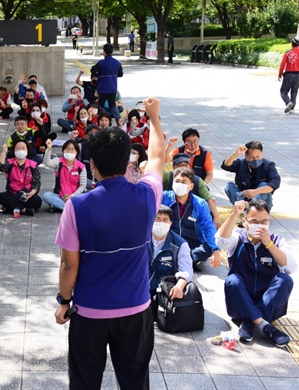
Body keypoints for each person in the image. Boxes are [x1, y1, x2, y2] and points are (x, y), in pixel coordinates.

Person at [54, 97, 166, 389]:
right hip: (136, 311)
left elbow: (69, 264)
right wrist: (154, 118)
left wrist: (64, 301)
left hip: (90, 312)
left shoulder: (76, 207)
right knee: (135, 382)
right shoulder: (147, 196)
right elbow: (156, 158)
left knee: (84, 382)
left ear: (92, 164)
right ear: (128, 161)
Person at [217, 200, 296, 347]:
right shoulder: (238, 237)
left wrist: (269, 244)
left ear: (269, 221)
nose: (260, 225)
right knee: (232, 280)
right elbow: (221, 241)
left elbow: (290, 267)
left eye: (264, 221)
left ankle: (250, 322)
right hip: (239, 306)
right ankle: (264, 325)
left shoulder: (277, 241)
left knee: (285, 279)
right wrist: (234, 213)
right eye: (254, 221)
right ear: (245, 222)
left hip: (269, 307)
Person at [162, 167, 222, 272]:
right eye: (177, 181)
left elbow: (208, 226)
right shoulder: (163, 198)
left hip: (192, 244)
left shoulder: (200, 203)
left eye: (184, 182)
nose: (179, 184)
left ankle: (179, 261)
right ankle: (188, 261)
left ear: (191, 186)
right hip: (168, 242)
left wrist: (216, 249)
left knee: (208, 247)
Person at [164, 151, 222, 228]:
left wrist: (216, 217)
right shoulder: (166, 177)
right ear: (174, 166)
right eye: (180, 165)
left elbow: (208, 199)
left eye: (185, 165)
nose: (182, 168)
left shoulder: (197, 181)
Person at [221, 141, 281, 211]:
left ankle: (250, 212)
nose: (255, 160)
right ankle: (242, 210)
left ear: (262, 153)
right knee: (229, 186)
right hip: (244, 198)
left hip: (262, 204)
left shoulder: (268, 165)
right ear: (246, 156)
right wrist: (236, 154)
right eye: (252, 158)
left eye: (258, 157)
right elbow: (226, 165)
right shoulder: (241, 163)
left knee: (263, 185)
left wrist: (255, 192)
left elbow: (275, 183)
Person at [149, 205, 192, 297]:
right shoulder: (140, 240)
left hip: (164, 291)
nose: (161, 223)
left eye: (165, 220)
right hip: (140, 289)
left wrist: (179, 287)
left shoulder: (180, 244)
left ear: (170, 223)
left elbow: (186, 271)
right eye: (157, 219)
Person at [0, 141, 42, 215]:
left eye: (23, 148)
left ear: (27, 150)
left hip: (26, 195)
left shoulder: (33, 165)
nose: (21, 150)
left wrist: (32, 193)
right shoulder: (10, 162)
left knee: (37, 201)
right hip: (12, 193)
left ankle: (10, 207)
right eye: (18, 148)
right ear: (14, 151)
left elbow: (36, 183)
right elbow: (0, 167)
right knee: (1, 197)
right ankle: (24, 210)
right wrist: (4, 152)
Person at [42, 139, 86, 212]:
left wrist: (72, 196)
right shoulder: (59, 162)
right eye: (67, 149)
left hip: (75, 196)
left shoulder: (81, 167)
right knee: (46, 195)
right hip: (60, 196)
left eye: (72, 150)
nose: (69, 152)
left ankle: (59, 206)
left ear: (77, 152)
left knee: (87, 196)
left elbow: (82, 186)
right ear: (63, 151)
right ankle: (70, 209)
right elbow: (47, 163)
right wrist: (49, 149)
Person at [90, 44, 123, 124]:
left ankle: (103, 120)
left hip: (103, 88)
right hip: (113, 88)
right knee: (112, 105)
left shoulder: (101, 63)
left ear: (104, 52)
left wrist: (99, 75)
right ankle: (119, 121)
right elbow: (120, 74)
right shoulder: (117, 63)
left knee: (100, 105)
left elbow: (93, 70)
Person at [278, 36, 299, 114]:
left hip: (289, 74)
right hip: (298, 75)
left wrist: (280, 74)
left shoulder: (288, 53)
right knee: (294, 92)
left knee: (283, 91)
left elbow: (282, 65)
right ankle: (292, 108)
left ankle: (288, 102)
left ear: (292, 43)